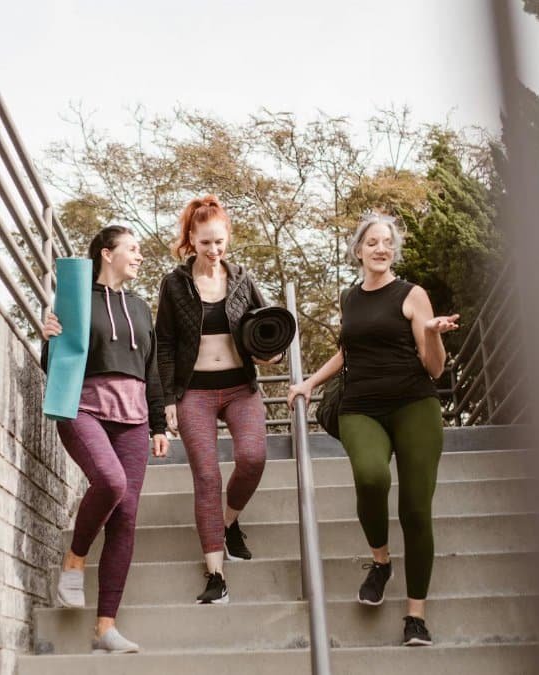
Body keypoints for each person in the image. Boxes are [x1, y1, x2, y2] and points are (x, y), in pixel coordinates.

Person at [288, 211, 459, 647]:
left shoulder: (412, 294)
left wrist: (434, 333)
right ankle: (380, 562)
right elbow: (348, 352)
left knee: (416, 510)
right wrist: (309, 381)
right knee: (371, 476)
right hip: (361, 405)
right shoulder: (350, 298)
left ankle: (415, 616)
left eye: (387, 242)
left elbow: (435, 369)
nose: (381, 248)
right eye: (372, 242)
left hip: (414, 403)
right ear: (359, 251)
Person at [41, 225, 170, 654]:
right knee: (111, 483)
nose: (138, 256)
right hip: (85, 408)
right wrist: (49, 336)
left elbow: (151, 371)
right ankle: (75, 559)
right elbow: (57, 361)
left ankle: (105, 628)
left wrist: (157, 424)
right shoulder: (76, 300)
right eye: (132, 249)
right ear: (106, 253)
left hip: (133, 417)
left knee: (126, 516)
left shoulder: (141, 308)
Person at [155, 194, 281, 605]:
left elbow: (269, 328)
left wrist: (273, 352)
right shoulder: (174, 283)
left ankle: (229, 521)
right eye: (206, 242)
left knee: (252, 458)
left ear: (229, 238)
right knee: (207, 476)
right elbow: (167, 344)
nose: (214, 250)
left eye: (220, 242)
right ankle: (215, 575)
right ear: (191, 238)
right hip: (195, 392)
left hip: (240, 388)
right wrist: (170, 398)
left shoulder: (243, 278)